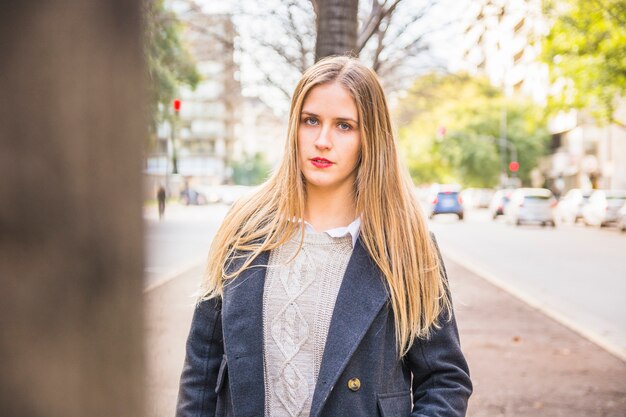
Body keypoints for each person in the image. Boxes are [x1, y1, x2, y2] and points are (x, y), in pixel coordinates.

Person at [176, 56, 472, 417]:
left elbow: (444, 379)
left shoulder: (405, 244)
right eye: (311, 120)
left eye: (344, 126)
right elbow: (201, 369)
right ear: (294, 127)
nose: (322, 140)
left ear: (371, 138)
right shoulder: (245, 230)